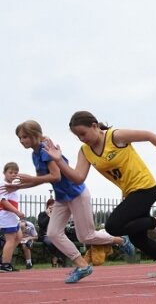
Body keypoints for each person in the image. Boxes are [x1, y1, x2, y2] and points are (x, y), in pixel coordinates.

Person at [48, 111, 156, 286]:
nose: (82, 139)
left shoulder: (115, 136)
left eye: (83, 134)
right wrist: (59, 160)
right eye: (77, 136)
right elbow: (78, 178)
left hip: (145, 188)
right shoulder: (85, 151)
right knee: (138, 239)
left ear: (94, 126)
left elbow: (149, 136)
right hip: (130, 193)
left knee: (113, 226)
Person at [13, 120, 133, 282]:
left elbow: (56, 176)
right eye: (19, 138)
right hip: (62, 197)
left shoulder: (45, 150)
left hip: (77, 194)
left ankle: (121, 240)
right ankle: (83, 266)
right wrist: (18, 186)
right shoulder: (35, 153)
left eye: (25, 137)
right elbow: (41, 178)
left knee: (86, 236)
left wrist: (31, 180)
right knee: (54, 233)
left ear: (35, 135)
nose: (22, 141)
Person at [0, 162, 25, 272]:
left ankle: (6, 259)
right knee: (10, 239)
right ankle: (5, 264)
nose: (13, 174)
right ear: (4, 172)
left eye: (15, 173)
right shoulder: (3, 185)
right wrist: (17, 212)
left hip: (12, 216)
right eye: (10, 172)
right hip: (6, 215)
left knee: (19, 236)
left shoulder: (12, 186)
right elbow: (4, 202)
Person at [37, 199, 67, 267]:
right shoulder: (42, 214)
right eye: (50, 205)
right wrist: (48, 216)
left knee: (61, 242)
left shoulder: (58, 215)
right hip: (45, 235)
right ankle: (56, 258)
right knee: (50, 242)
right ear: (47, 206)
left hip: (56, 235)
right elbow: (41, 224)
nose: (51, 207)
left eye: (53, 206)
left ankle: (55, 258)